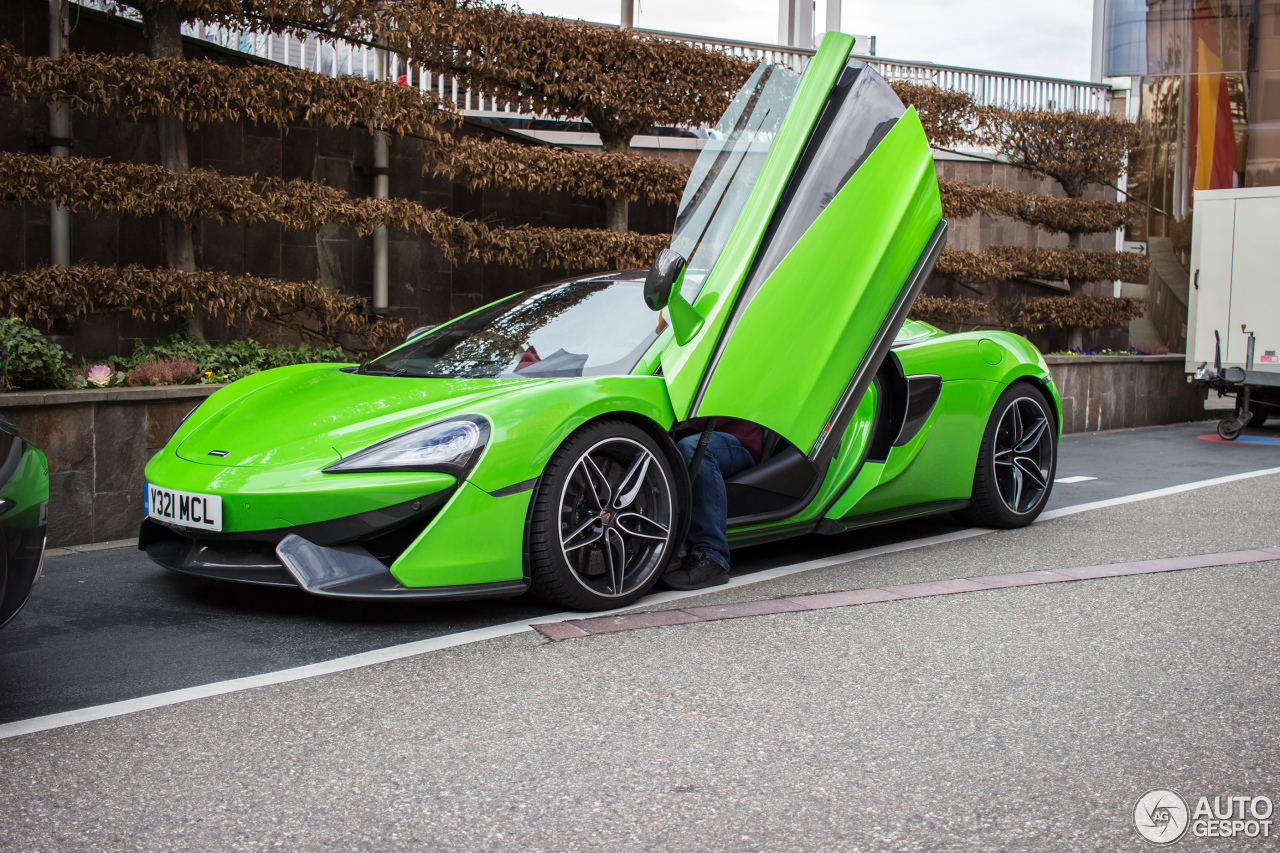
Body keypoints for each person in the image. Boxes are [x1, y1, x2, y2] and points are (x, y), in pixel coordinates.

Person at [661, 417, 762, 590]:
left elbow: (714, 409)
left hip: (738, 440)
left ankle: (713, 555)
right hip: (694, 431)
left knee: (692, 448)